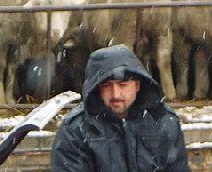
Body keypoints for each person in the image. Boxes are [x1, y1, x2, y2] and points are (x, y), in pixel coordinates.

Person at [51, 44, 191, 172]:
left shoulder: (163, 122)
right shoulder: (76, 130)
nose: (116, 94)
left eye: (123, 85)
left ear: (137, 85)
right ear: (96, 89)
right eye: (107, 86)